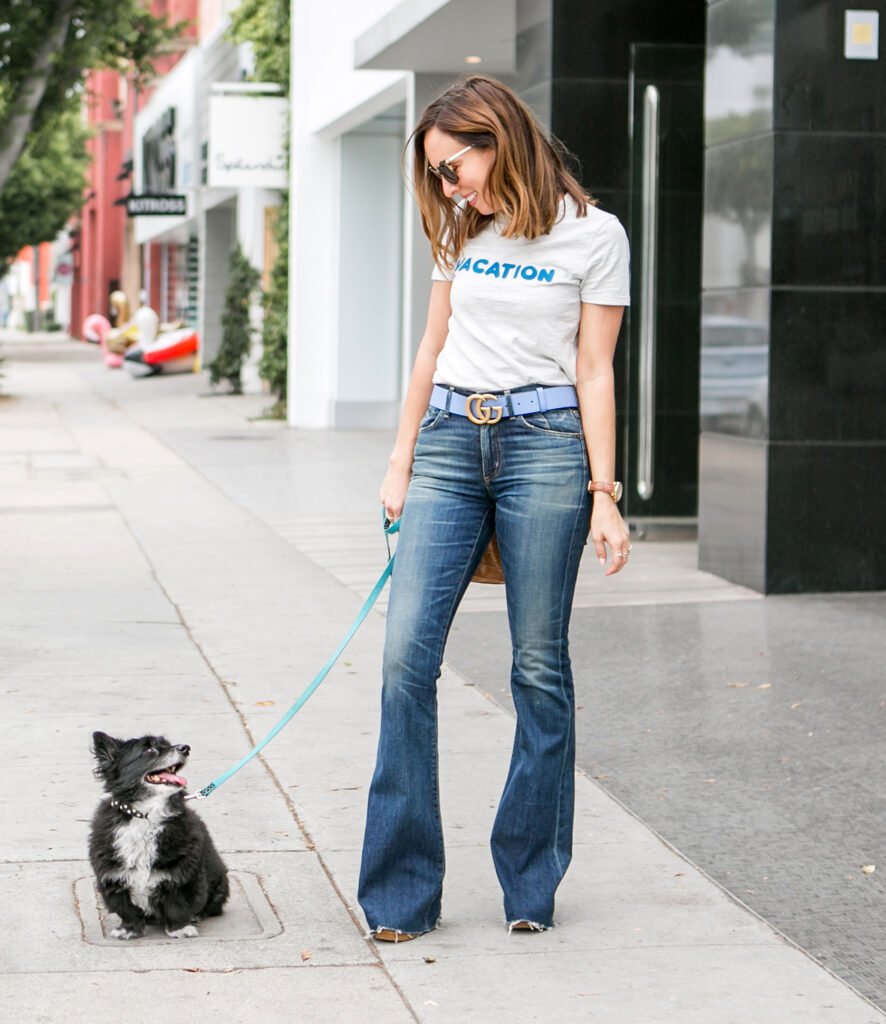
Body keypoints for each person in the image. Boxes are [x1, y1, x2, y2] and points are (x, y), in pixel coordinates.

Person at [358, 74, 631, 942]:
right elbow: (432, 346)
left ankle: (529, 882)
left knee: (538, 666)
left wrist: (605, 493)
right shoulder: (464, 231)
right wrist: (400, 460)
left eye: (454, 167)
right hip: (448, 441)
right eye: (436, 174)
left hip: (545, 446)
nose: (447, 187)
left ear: (498, 140)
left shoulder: (596, 235)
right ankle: (401, 894)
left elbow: (594, 368)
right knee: (404, 661)